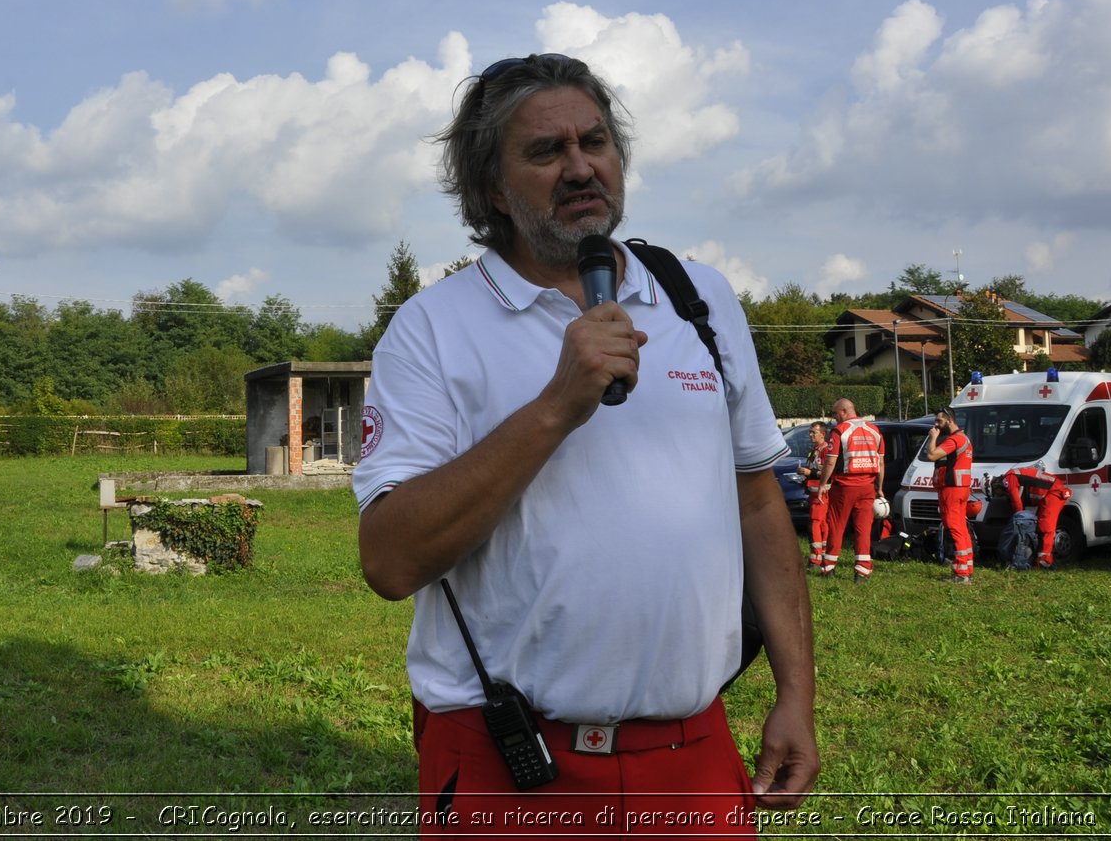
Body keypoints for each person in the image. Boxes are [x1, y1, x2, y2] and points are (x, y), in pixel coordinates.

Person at [353, 53, 819, 835]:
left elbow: (758, 501)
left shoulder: (697, 297)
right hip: (513, 762)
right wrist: (554, 408)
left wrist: (796, 694)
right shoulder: (432, 328)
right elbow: (390, 559)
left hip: (693, 750)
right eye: (545, 151)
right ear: (493, 190)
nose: (580, 167)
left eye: (594, 142)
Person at [817, 399, 884, 582]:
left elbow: (831, 461)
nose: (834, 418)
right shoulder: (875, 431)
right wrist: (879, 487)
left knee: (836, 526)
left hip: (845, 486)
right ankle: (862, 570)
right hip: (868, 487)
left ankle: (829, 567)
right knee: (863, 528)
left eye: (834, 413)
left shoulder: (840, 431)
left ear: (844, 411)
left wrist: (823, 484)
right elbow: (881, 462)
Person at [924, 407, 975, 584]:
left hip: (951, 490)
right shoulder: (965, 439)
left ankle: (961, 573)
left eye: (939, 421)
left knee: (954, 527)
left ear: (950, 420)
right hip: (961, 488)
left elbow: (931, 455)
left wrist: (933, 438)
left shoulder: (954, 440)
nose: (936, 424)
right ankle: (967, 567)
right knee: (961, 527)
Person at [1002, 466, 1070, 570]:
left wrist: (1019, 517)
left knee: (1045, 526)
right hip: (1053, 490)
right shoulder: (1012, 476)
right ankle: (1040, 558)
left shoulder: (1008, 479)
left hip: (1055, 491)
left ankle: (1045, 561)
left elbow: (1017, 504)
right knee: (1041, 525)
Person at [803, 421, 832, 570]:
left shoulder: (826, 450)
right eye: (810, 431)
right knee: (821, 524)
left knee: (815, 523)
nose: (810, 434)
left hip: (822, 494)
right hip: (814, 493)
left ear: (823, 434)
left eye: (814, 432)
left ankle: (815, 558)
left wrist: (810, 473)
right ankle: (823, 554)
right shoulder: (815, 450)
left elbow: (828, 472)